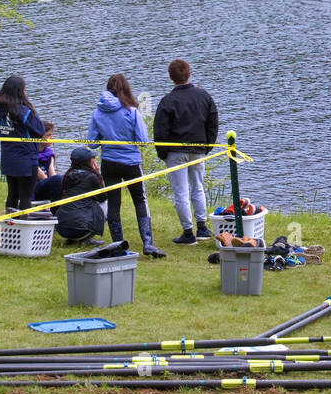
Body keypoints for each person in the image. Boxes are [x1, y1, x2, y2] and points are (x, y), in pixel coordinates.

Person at [88, 73, 165, 258]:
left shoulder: (98, 112)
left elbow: (91, 143)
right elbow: (143, 140)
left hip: (109, 162)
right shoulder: (131, 111)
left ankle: (118, 246)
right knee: (140, 200)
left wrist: (106, 138)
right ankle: (148, 243)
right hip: (130, 162)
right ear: (126, 89)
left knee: (114, 203)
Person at [154, 59, 220, 246]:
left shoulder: (167, 101)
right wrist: (207, 146)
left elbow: (160, 130)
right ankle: (202, 227)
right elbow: (213, 123)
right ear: (189, 74)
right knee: (198, 187)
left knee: (180, 193)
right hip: (198, 149)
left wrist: (163, 153)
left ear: (171, 77)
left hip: (175, 152)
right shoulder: (204, 96)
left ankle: (188, 232)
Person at [0, 74, 46, 216]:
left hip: (8, 157)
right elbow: (40, 129)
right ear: (20, 91)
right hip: (26, 159)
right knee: (25, 197)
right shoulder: (23, 111)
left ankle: (11, 227)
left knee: (12, 195)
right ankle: (24, 228)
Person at [53, 147, 107, 245]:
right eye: (92, 158)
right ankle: (86, 238)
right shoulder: (92, 177)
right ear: (87, 161)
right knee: (106, 205)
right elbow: (102, 197)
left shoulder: (67, 175)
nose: (94, 160)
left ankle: (71, 239)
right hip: (80, 228)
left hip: (61, 226)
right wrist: (98, 173)